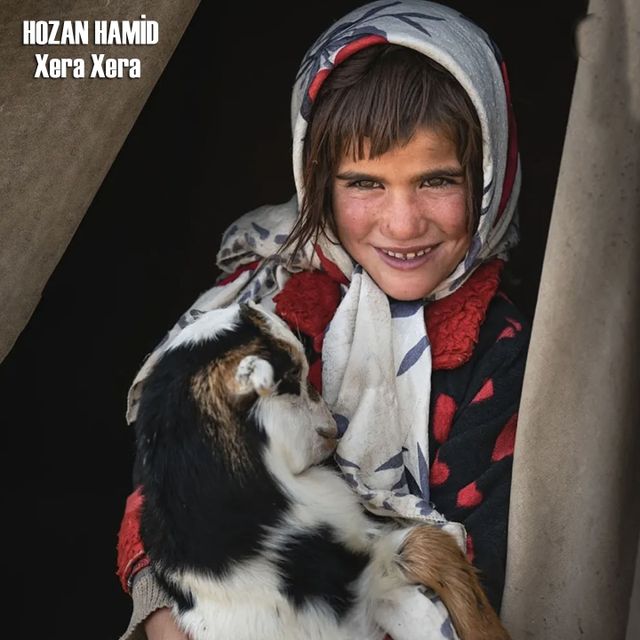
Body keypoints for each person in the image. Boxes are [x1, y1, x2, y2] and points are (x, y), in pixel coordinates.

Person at [116, 1, 530, 638]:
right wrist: (163, 606)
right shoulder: (269, 309)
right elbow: (167, 482)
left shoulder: (500, 353)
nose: (402, 224)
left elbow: (490, 573)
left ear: (489, 177)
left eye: (437, 180)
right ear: (316, 180)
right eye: (364, 183)